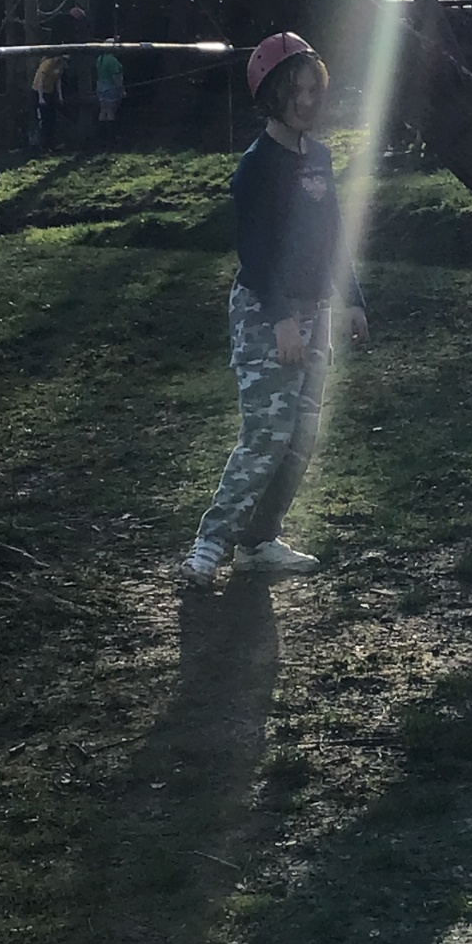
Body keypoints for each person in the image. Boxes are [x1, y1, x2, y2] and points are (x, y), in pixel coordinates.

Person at [180, 32, 369, 585]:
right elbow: (256, 253)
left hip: (316, 311)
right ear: (271, 96)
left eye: (315, 89)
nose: (308, 101)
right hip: (267, 313)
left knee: (300, 437)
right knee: (266, 435)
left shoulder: (319, 159)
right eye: (296, 91)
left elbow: (333, 235)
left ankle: (259, 541)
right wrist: (283, 319)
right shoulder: (257, 166)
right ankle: (210, 544)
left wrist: (352, 300)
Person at [31, 53, 67, 151]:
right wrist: (41, 98)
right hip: (39, 91)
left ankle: (51, 143)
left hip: (49, 91)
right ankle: (43, 145)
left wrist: (60, 96)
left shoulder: (61, 65)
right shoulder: (48, 63)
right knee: (43, 118)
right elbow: (40, 80)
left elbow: (58, 80)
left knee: (51, 118)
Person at [94, 47, 125, 143]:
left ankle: (101, 137)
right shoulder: (112, 60)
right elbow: (115, 76)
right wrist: (121, 89)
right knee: (110, 111)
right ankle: (111, 138)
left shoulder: (99, 59)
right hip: (110, 87)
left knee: (103, 110)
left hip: (100, 86)